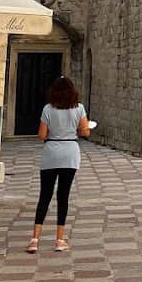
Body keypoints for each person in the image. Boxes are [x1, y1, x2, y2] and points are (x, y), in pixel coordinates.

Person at [27, 76, 89, 253]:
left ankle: (35, 239)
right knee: (63, 195)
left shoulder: (48, 109)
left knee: (45, 196)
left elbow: (41, 135)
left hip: (51, 152)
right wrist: (76, 130)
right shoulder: (79, 108)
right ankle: (60, 240)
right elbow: (85, 131)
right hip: (70, 153)